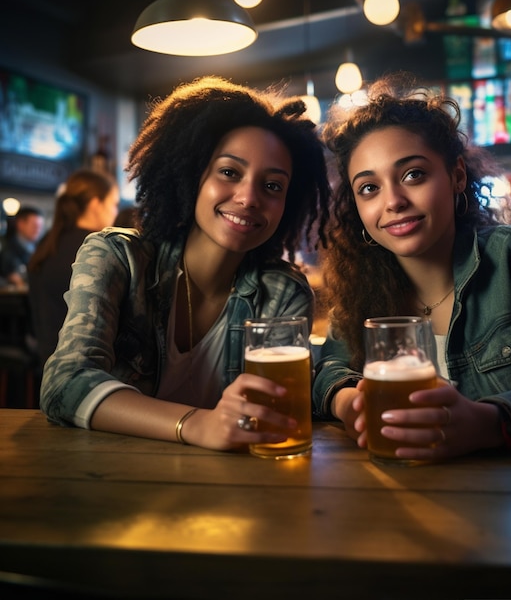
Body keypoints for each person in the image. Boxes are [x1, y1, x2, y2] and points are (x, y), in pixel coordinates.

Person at [313, 72, 511, 462]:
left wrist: (489, 422)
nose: (392, 201)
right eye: (369, 188)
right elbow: (329, 368)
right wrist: (347, 402)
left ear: (457, 176)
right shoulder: (359, 282)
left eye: (413, 175)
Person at [40, 76, 330, 451]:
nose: (249, 197)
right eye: (229, 172)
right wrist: (196, 424)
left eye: (272, 185)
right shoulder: (117, 258)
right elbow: (65, 385)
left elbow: (271, 415)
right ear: (192, 176)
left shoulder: (282, 294)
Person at [27, 169, 120, 367]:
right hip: (87, 375)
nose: (116, 212)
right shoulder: (98, 249)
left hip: (48, 364)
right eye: (114, 204)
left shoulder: (46, 244)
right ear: (96, 204)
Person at [0, 205, 44, 288]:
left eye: (40, 227)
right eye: (34, 226)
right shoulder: (8, 250)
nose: (38, 230)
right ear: (21, 224)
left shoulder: (41, 248)